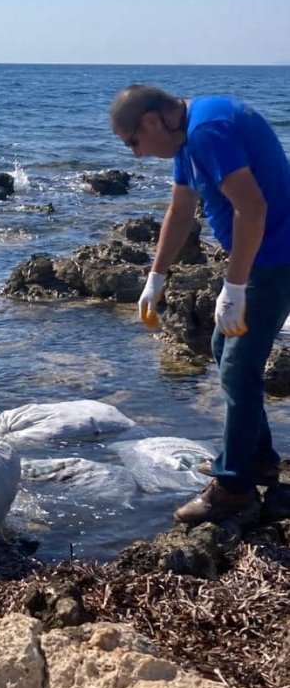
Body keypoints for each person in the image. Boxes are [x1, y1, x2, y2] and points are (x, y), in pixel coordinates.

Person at [111, 84, 290, 525]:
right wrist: (155, 278)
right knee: (221, 348)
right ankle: (258, 459)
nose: (137, 154)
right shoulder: (186, 135)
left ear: (151, 121)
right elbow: (180, 210)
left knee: (239, 368)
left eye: (133, 141)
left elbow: (252, 208)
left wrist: (236, 286)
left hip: (277, 257)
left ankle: (234, 489)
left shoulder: (209, 129)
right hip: (262, 256)